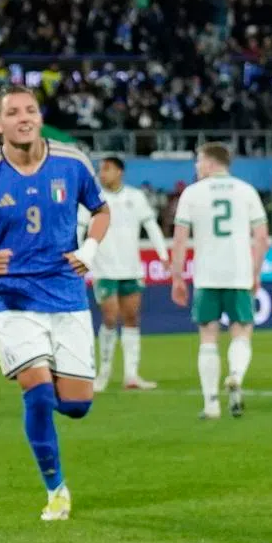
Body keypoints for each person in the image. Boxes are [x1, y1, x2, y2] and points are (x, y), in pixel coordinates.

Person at [0, 86, 109, 519]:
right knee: (40, 393)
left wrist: (89, 250)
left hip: (67, 296)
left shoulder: (73, 162)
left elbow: (101, 211)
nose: (24, 117)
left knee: (78, 405)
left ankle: (39, 392)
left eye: (30, 110)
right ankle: (57, 491)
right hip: (14, 301)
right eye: (13, 112)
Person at [170, 144, 268, 419]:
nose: (197, 167)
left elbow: (179, 240)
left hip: (206, 275)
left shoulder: (192, 193)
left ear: (211, 163)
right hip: (238, 274)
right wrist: (256, 272)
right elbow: (261, 237)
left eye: (199, 161)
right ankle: (235, 375)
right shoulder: (246, 190)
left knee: (208, 336)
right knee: (241, 330)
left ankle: (211, 403)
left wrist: (177, 276)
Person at [82, 155, 169, 392]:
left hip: (131, 268)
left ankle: (131, 375)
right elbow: (80, 228)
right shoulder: (92, 198)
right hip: (104, 269)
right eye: (101, 169)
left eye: (107, 169)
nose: (102, 173)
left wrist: (163, 254)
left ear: (119, 171)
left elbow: (151, 225)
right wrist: (80, 256)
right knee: (110, 318)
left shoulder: (135, 197)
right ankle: (104, 373)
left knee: (131, 317)